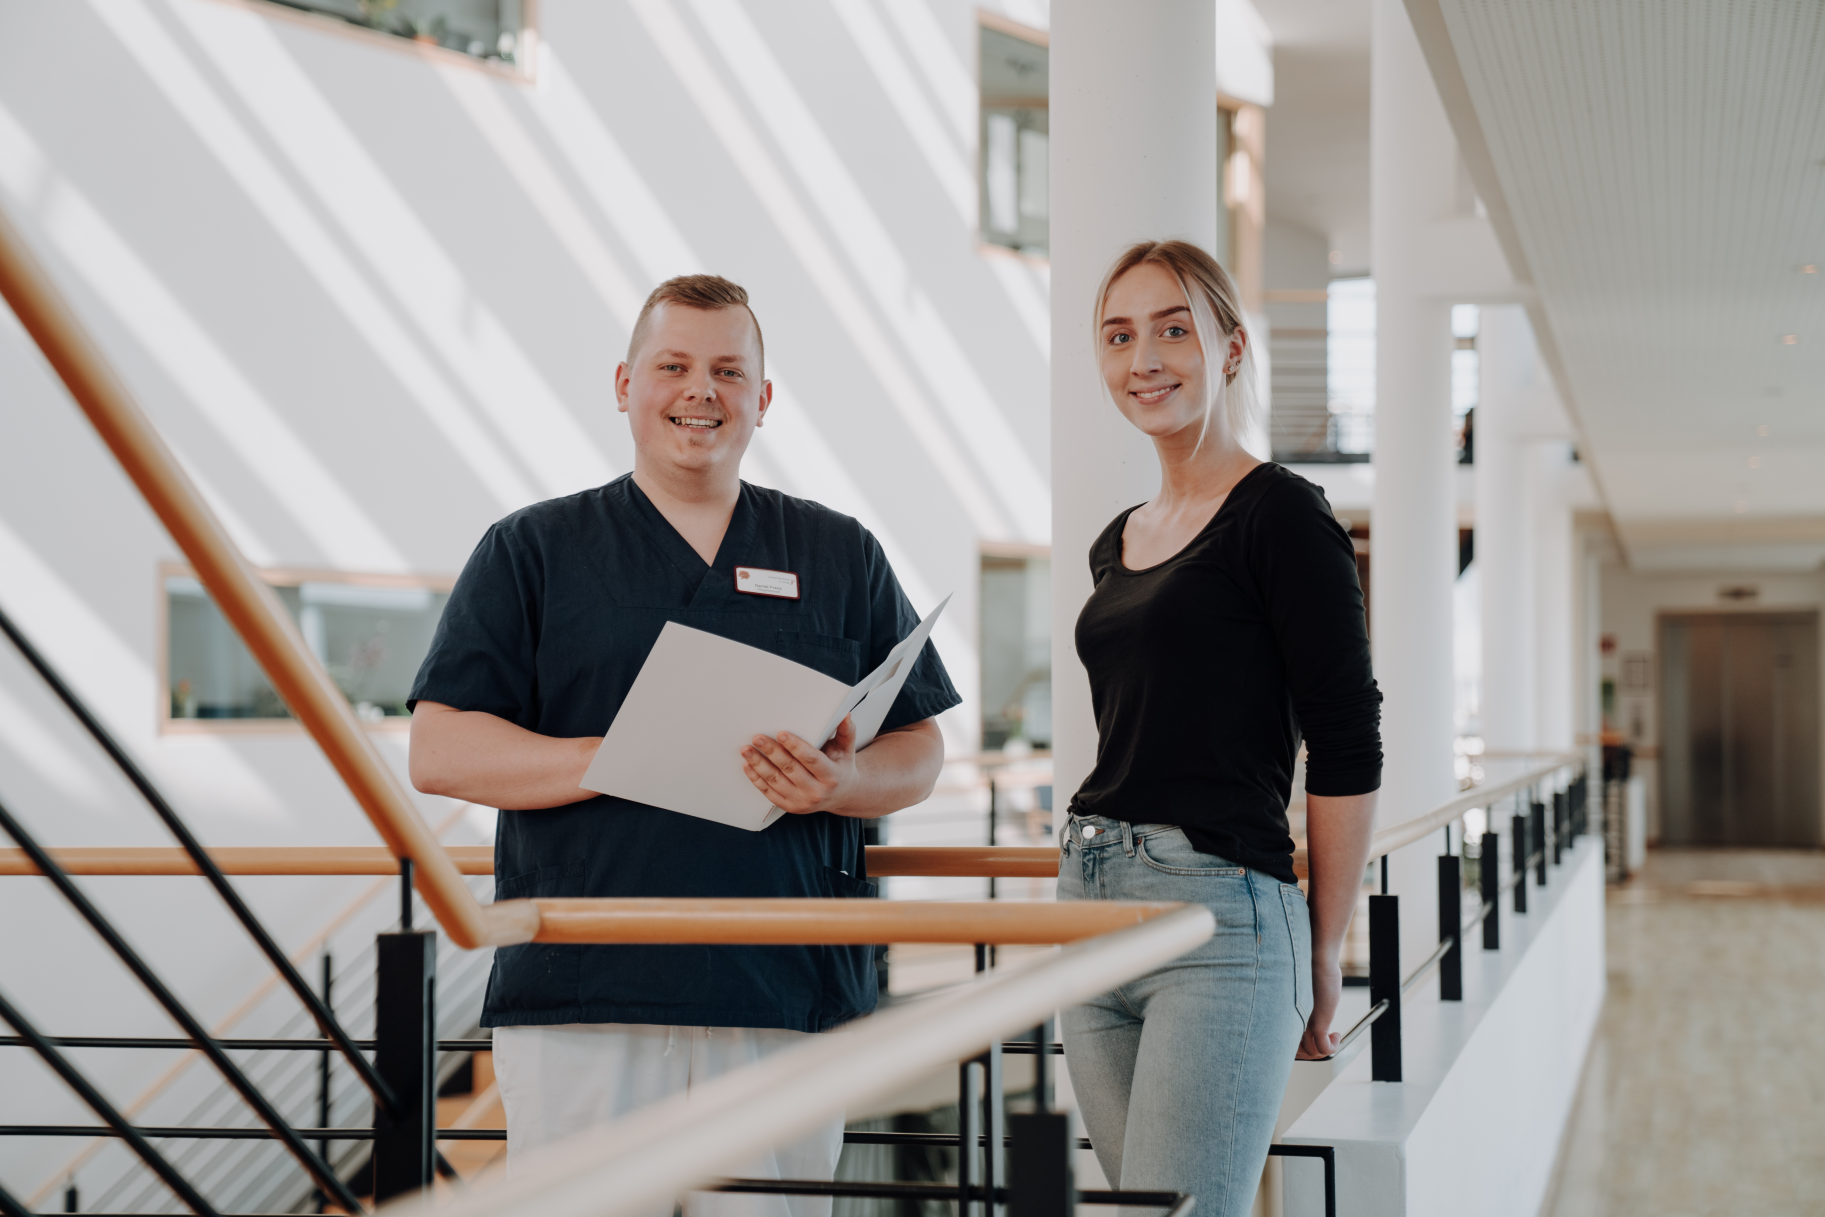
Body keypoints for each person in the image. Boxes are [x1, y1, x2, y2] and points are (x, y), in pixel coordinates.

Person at [407, 274, 958, 1215]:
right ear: (624, 383)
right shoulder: (531, 549)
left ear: (762, 400)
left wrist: (838, 782)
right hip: (587, 990)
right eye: (673, 366)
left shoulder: (839, 552)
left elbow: (920, 748)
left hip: (784, 986)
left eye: (727, 371)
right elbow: (440, 750)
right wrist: (619, 755)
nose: (700, 391)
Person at [1058, 241, 1382, 1217]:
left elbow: (1346, 737)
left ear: (1230, 348)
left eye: (1172, 329)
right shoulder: (1115, 540)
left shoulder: (1281, 516)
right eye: (1119, 336)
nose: (1144, 357)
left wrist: (1324, 944)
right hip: (1086, 895)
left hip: (1220, 914)